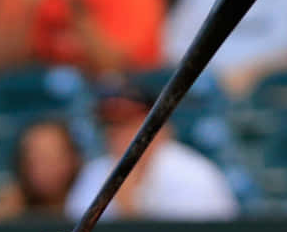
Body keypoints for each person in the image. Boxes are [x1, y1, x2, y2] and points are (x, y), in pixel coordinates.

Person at [65, 79, 237, 220]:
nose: (118, 132)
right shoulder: (95, 173)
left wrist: (129, 208)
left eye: (129, 121)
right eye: (112, 123)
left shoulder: (190, 172)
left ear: (160, 127)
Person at [0, 118, 83, 219]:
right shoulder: (10, 210)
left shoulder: (91, 200)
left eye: (52, 157)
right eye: (35, 158)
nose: (45, 167)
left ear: (74, 159)